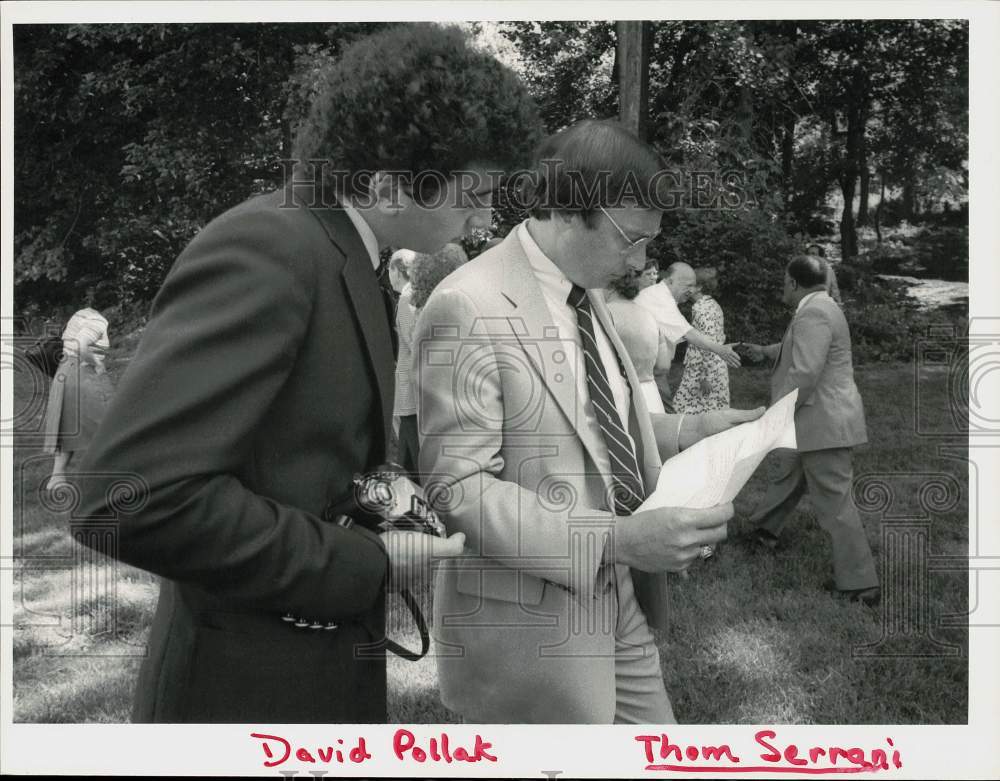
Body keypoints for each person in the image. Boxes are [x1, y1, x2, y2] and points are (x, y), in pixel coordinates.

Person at [74, 23, 543, 723]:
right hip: (241, 695)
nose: (483, 217)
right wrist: (370, 566)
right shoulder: (271, 247)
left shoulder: (348, 254)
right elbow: (128, 498)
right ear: (388, 185)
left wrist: (383, 496)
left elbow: (297, 448)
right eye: (473, 193)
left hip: (314, 671)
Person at [414, 119, 764, 724]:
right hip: (534, 619)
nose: (640, 261)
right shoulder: (465, 303)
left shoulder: (586, 291)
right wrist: (614, 539)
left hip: (619, 592)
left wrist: (692, 432)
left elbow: (594, 430)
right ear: (571, 211)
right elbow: (457, 488)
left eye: (650, 242)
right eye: (633, 239)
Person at [743, 255, 879, 606]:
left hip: (823, 422)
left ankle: (860, 584)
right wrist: (764, 351)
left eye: (783, 281)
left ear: (793, 283)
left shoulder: (813, 313)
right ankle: (763, 530)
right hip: (818, 420)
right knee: (789, 474)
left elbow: (805, 372)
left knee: (835, 504)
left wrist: (775, 413)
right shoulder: (821, 306)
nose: (781, 287)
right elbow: (799, 347)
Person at [634, 261, 740, 412]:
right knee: (669, 415)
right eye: (688, 285)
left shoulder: (663, 297)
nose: (691, 290)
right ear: (671, 281)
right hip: (645, 373)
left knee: (669, 414)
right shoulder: (660, 298)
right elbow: (688, 333)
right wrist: (720, 349)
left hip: (652, 373)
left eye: (693, 286)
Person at [42, 307, 113, 490]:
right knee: (108, 422)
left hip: (64, 371)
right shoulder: (98, 321)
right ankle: (104, 475)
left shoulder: (78, 316)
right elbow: (81, 344)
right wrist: (97, 363)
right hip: (82, 374)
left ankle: (57, 478)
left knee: (67, 425)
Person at [606, 260, 671, 414]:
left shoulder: (606, 315)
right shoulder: (649, 315)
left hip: (620, 395)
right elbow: (663, 365)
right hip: (650, 394)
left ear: (610, 287)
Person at [672, 267, 730, 413]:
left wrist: (706, 377)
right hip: (713, 366)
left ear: (700, 287)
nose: (685, 288)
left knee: (683, 410)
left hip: (704, 370)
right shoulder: (712, 304)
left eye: (690, 285)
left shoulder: (701, 308)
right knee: (709, 414)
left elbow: (709, 342)